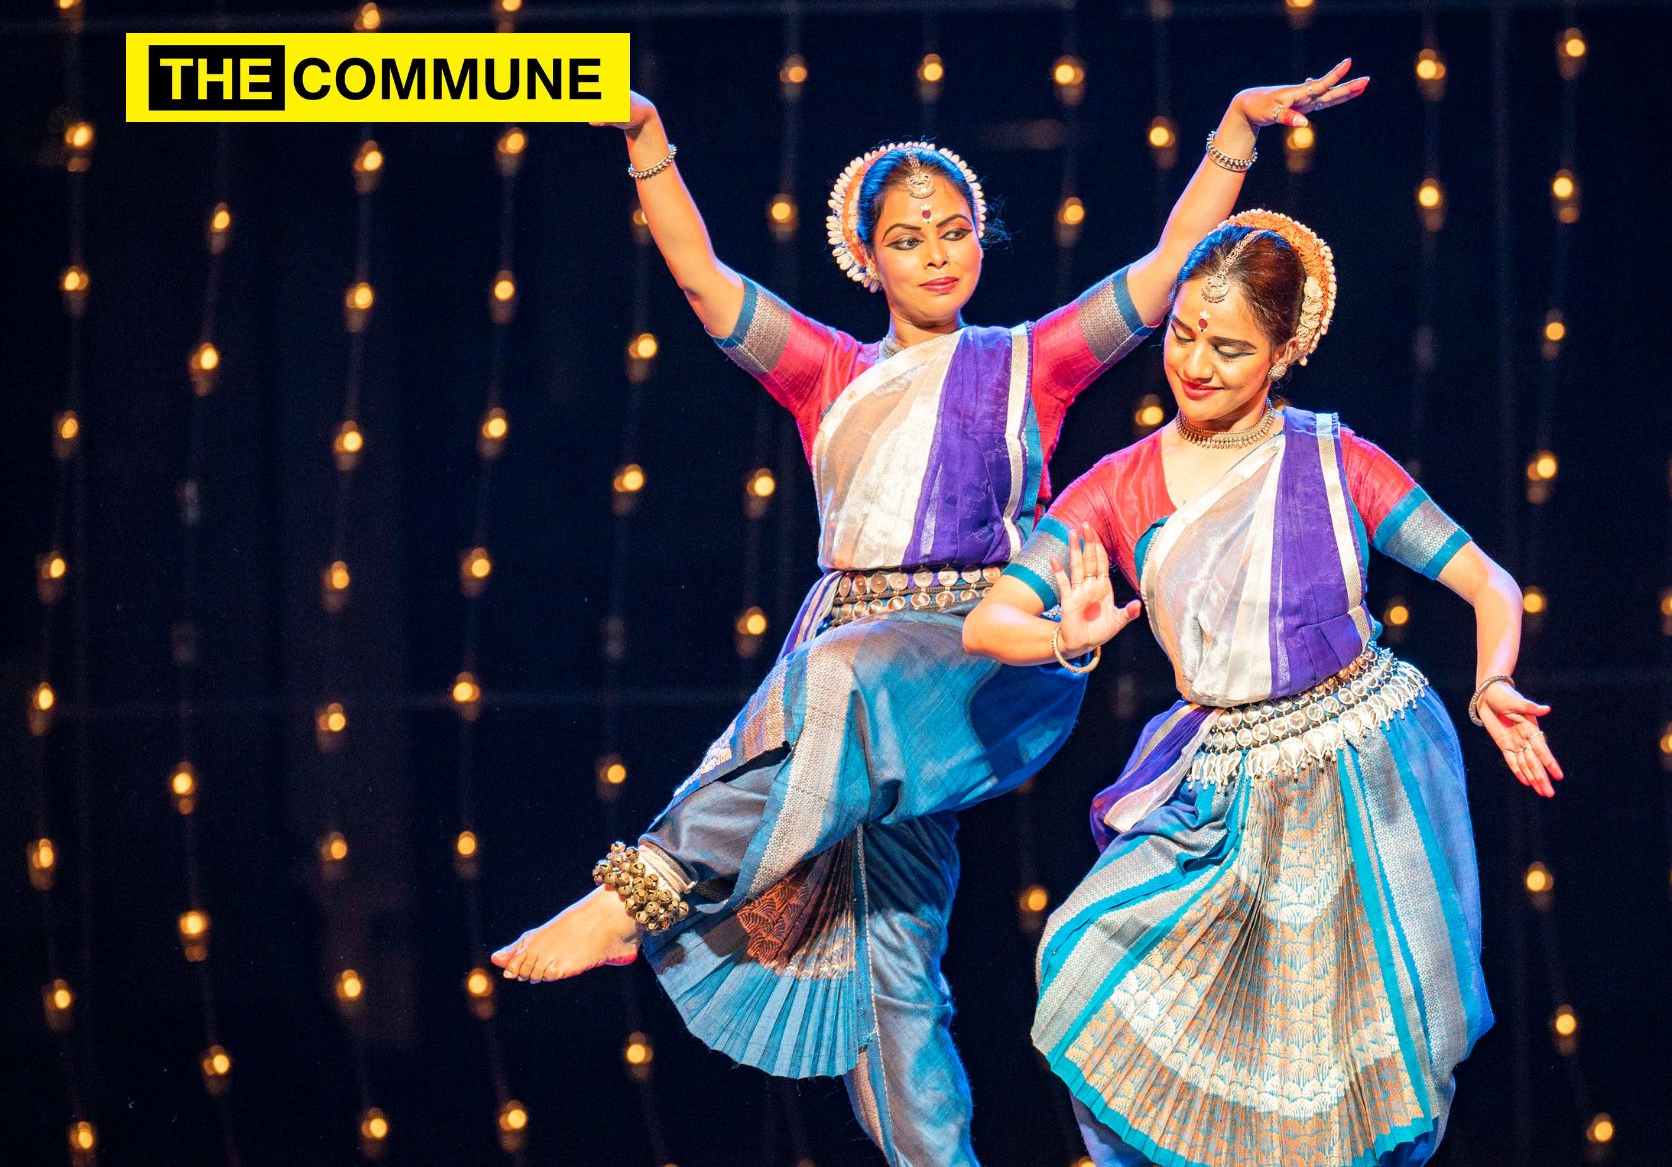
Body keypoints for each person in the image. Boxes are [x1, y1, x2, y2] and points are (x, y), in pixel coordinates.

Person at [493, 66, 1369, 1166]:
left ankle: (645, 888)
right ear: (869, 258)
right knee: (887, 965)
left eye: (953, 231)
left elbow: (1155, 282)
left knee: (844, 678)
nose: (937, 252)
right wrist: (646, 135)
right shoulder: (829, 375)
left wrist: (1231, 135)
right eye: (908, 238)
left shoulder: (1024, 363)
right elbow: (705, 280)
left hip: (979, 653)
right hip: (849, 673)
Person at [961, 211, 1558, 1166]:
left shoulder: (1334, 461)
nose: (1196, 364)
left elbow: (1486, 581)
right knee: (1085, 965)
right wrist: (1060, 640)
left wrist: (1492, 681)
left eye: (1230, 347)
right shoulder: (1118, 487)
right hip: (1219, 786)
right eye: (1185, 336)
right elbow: (987, 622)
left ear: (1285, 350)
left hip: (1364, 771)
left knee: (1348, 1073)